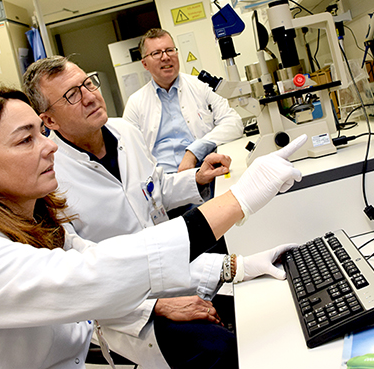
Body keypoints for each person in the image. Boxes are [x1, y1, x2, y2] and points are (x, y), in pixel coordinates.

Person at [0, 87, 306, 369]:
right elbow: (92, 277)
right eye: (25, 140)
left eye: (41, 133)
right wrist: (239, 200)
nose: (49, 146)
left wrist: (236, 267)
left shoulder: (41, 227)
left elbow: (102, 259)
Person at [22, 57, 246, 368]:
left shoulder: (124, 130)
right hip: (125, 309)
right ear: (49, 120)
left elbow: (155, 188)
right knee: (221, 348)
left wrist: (197, 178)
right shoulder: (48, 176)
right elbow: (78, 276)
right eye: (72, 95)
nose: (89, 96)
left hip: (170, 271)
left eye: (88, 83)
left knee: (251, 307)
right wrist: (155, 306)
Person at [124, 28, 243, 175]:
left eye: (170, 50)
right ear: (144, 64)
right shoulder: (135, 103)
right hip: (163, 182)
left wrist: (194, 151)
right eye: (156, 53)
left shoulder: (201, 86)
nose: (165, 57)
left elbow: (234, 123)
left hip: (205, 172)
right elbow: (127, 153)